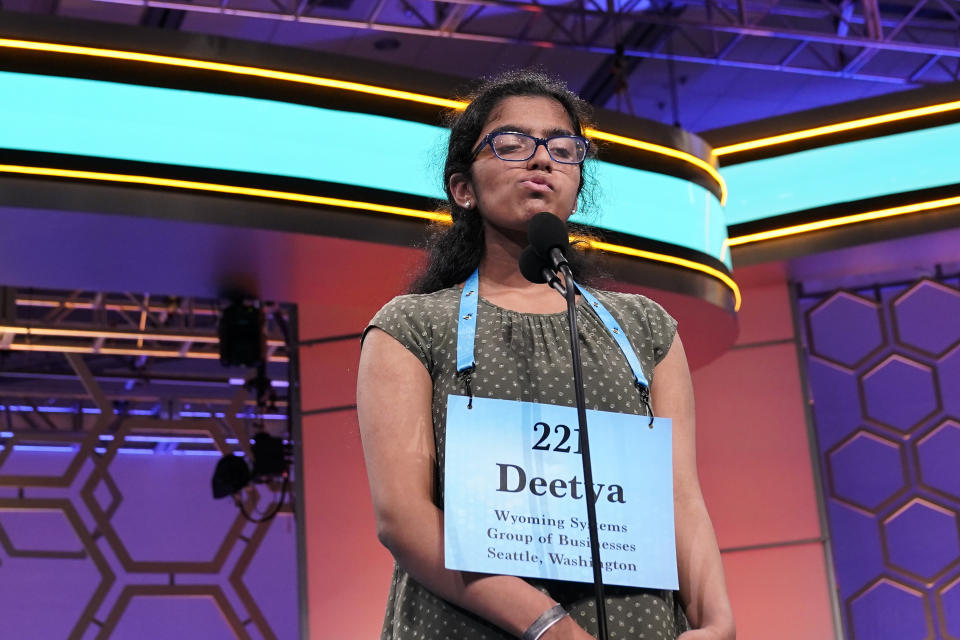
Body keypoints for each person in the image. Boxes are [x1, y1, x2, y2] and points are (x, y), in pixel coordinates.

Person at [356, 70, 735, 640]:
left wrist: (717, 620)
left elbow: (678, 495)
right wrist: (548, 625)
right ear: (462, 188)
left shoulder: (646, 329)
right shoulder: (411, 326)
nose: (541, 161)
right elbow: (404, 519)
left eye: (562, 149)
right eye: (511, 145)